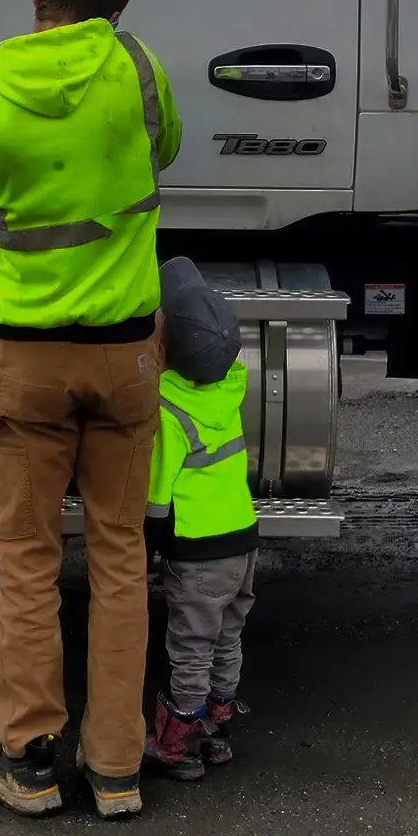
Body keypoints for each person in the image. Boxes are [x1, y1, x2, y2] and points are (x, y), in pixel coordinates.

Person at [0, 0, 180, 820]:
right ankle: (116, 769)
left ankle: (28, 763)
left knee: (28, 560)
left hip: (30, 363)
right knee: (122, 556)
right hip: (125, 357)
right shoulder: (139, 72)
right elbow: (167, 148)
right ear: (117, 12)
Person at [143, 256, 258, 782]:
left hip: (199, 551)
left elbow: (158, 499)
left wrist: (149, 549)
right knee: (227, 638)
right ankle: (216, 732)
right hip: (243, 542)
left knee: (190, 646)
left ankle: (175, 745)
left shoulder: (169, 409)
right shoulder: (230, 386)